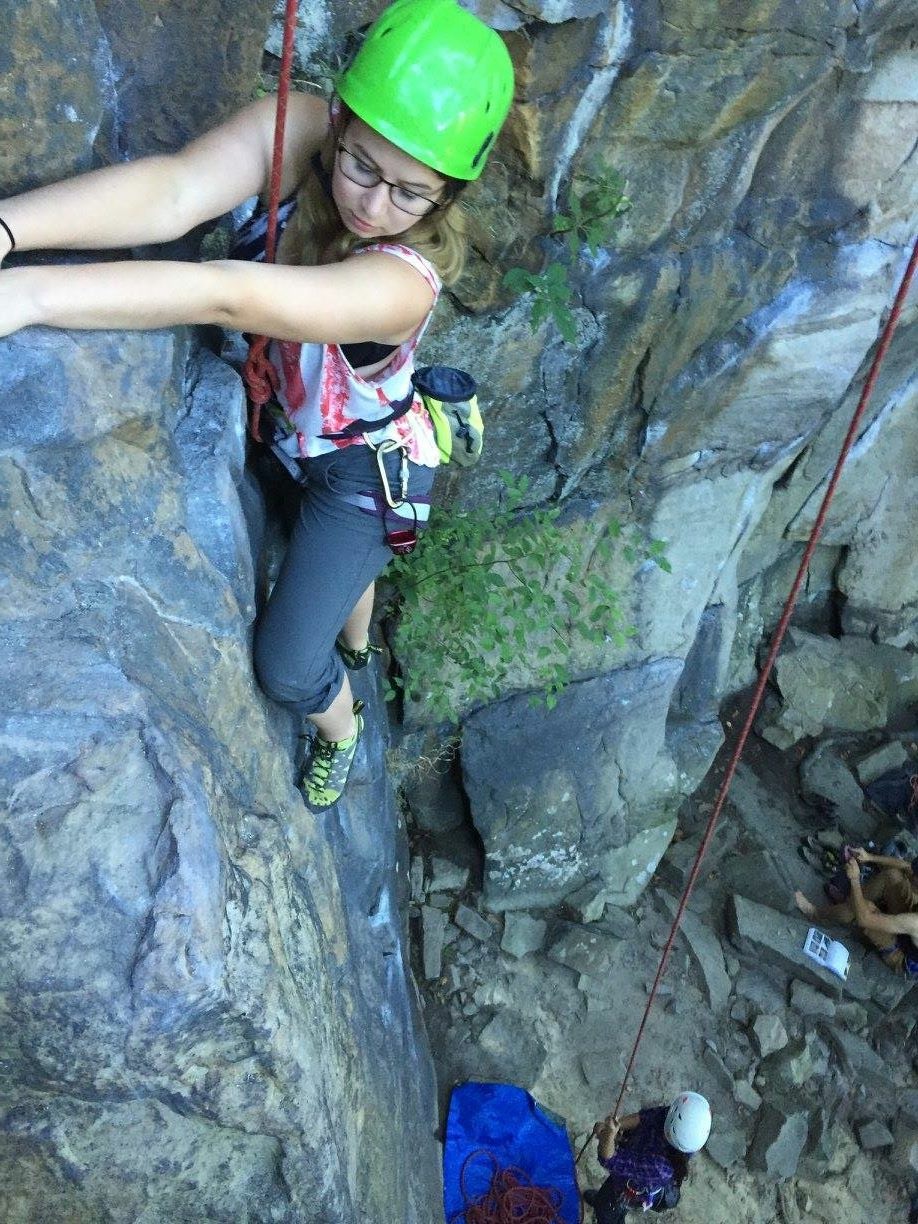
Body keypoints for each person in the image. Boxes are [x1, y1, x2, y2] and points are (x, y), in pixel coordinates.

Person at [0, 0, 514, 810]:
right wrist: (4, 231)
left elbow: (230, 295)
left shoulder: (399, 282)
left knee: (285, 665)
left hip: (357, 473)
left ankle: (341, 727)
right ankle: (349, 627)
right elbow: (175, 192)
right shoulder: (303, 129)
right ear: (340, 119)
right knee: (340, 581)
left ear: (448, 196)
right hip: (292, 429)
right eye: (361, 166)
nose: (374, 207)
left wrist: (27, 298)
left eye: (412, 194)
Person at [582, 1092, 712, 1223]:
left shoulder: (660, 1167)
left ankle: (606, 1209)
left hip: (628, 1187)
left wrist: (608, 1136)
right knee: (606, 1196)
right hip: (634, 1163)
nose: (668, 1110)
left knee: (610, 1213)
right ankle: (602, 1201)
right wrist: (616, 1126)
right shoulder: (679, 1124)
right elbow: (643, 1117)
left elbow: (609, 1160)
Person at [795, 846, 918, 975]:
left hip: (902, 954)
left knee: (864, 909)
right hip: (907, 928)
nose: (912, 874)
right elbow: (906, 866)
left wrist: (854, 879)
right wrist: (869, 857)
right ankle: (850, 902)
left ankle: (815, 914)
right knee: (892, 876)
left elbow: (865, 918)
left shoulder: (915, 922)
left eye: (916, 876)